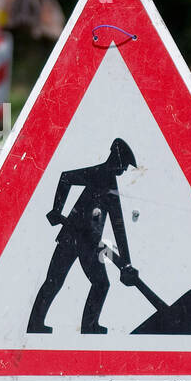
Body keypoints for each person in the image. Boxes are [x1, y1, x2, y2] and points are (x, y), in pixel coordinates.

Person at [27, 138, 138, 335]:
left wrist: (126, 263)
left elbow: (118, 224)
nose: (124, 170)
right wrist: (56, 209)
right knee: (89, 283)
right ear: (117, 158)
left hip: (86, 241)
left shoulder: (108, 182)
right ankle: (86, 326)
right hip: (76, 237)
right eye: (124, 165)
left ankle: (46, 325)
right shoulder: (100, 175)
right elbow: (65, 177)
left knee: (60, 281)